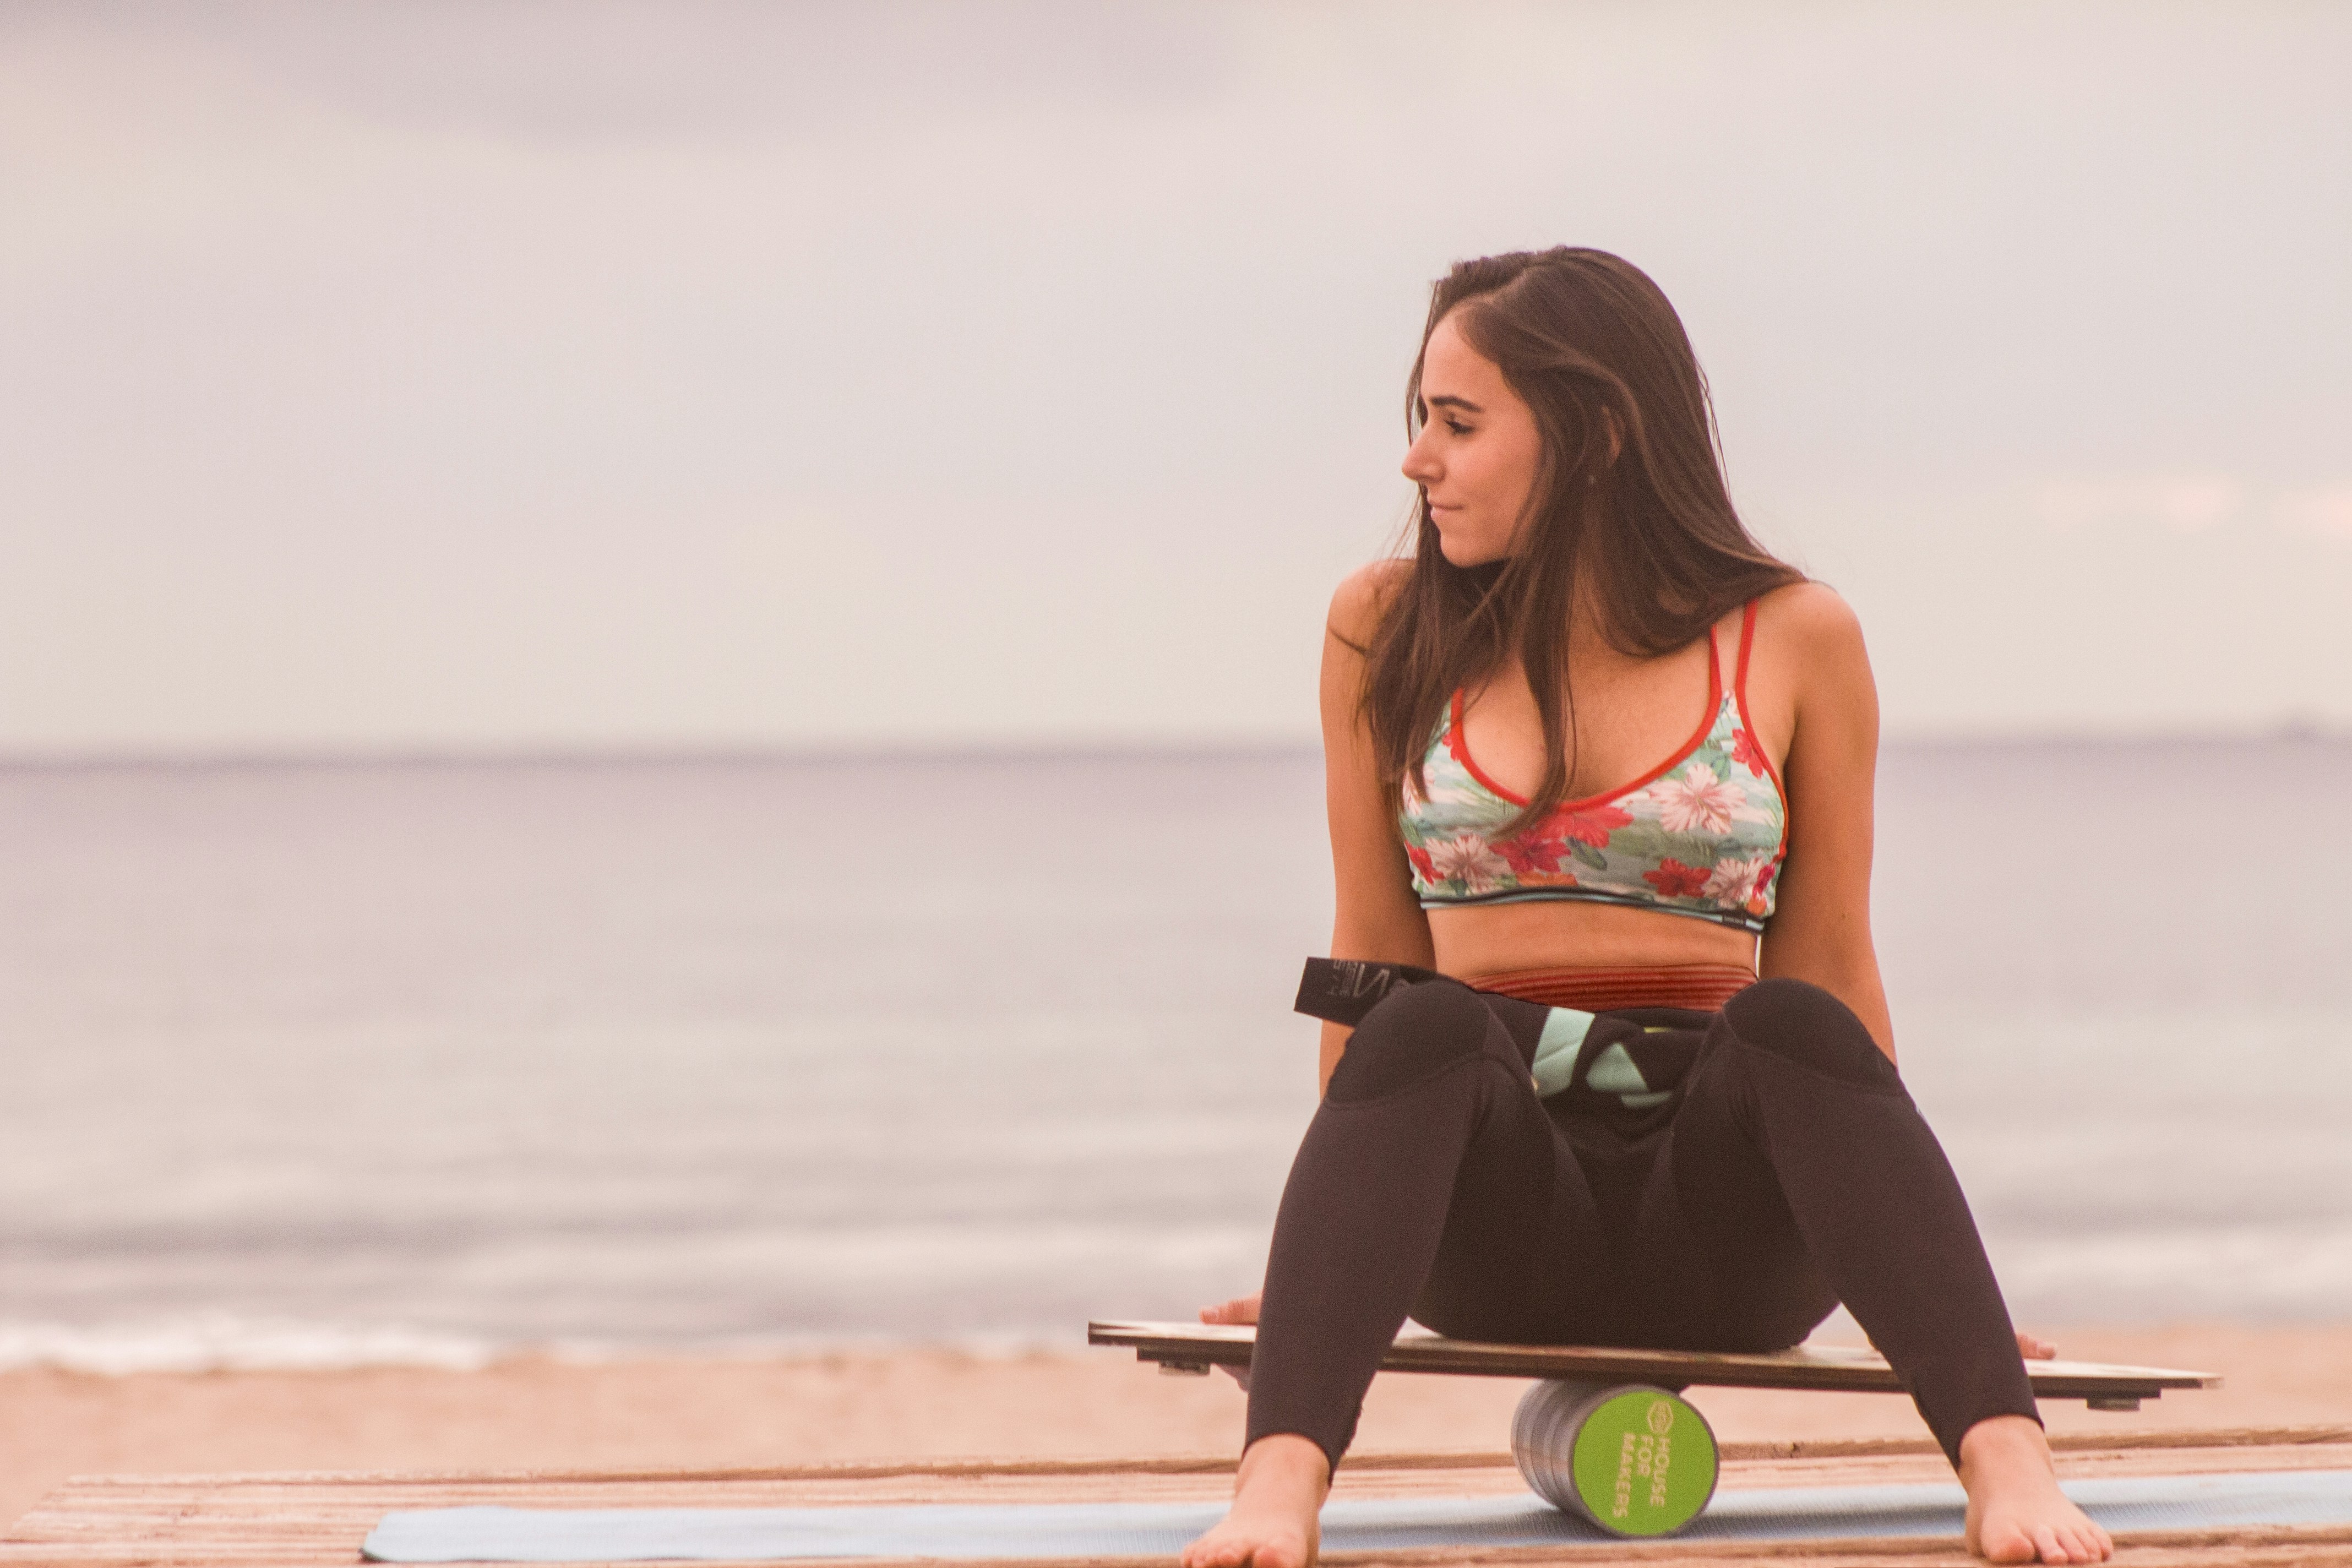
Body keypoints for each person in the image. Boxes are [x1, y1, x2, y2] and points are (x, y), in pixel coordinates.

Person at [1179, 249, 2112, 1568]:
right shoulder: (1379, 629)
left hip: (1721, 1228)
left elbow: (1838, 973)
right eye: (1418, 421)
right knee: (1419, 1024)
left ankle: (2004, 1455)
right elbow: (1374, 965)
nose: (1416, 462)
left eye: (1457, 423)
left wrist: (1921, 1278)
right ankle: (1278, 1487)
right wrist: (1329, 1263)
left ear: (1597, 431)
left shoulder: (1795, 635)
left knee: (1787, 1016)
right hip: (1498, 1219)